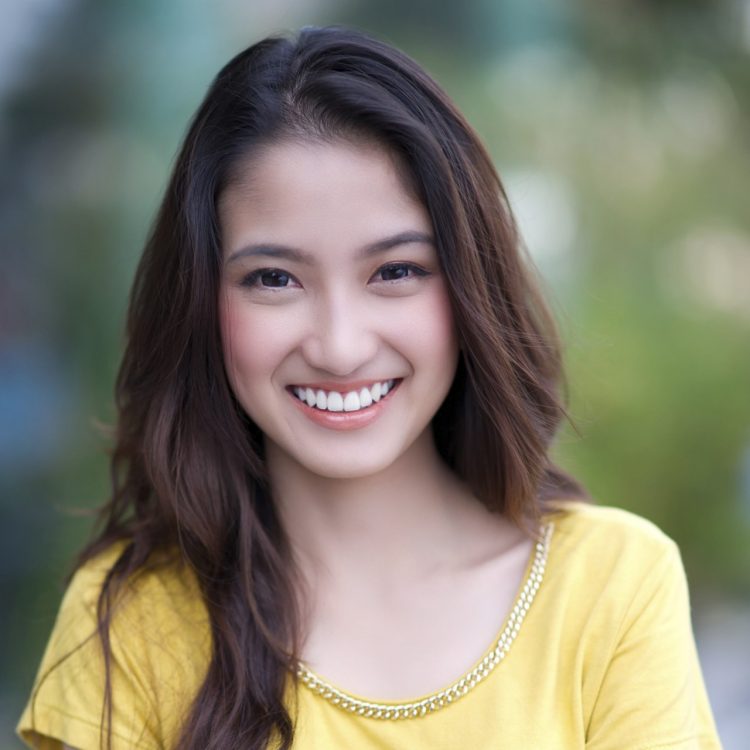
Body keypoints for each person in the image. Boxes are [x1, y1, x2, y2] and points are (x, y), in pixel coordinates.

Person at [17, 25, 721, 750]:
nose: (340, 345)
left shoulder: (612, 585)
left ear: (469, 285)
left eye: (394, 271)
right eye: (274, 279)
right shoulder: (132, 619)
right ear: (201, 303)